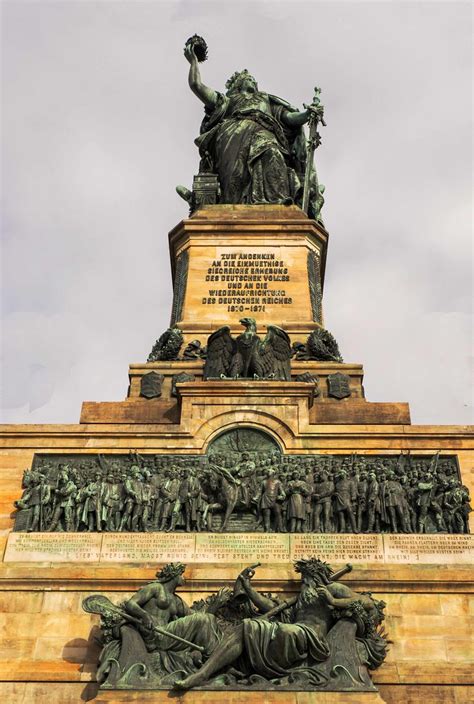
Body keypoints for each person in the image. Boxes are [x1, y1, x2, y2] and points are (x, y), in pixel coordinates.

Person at [184, 42, 318, 207]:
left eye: (254, 80)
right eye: (248, 78)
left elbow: (289, 117)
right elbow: (196, 85)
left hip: (265, 132)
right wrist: (193, 62)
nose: (252, 81)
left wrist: (307, 114)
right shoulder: (227, 101)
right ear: (238, 85)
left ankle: (277, 202)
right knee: (236, 178)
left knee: (272, 152)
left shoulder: (266, 99)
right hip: (232, 136)